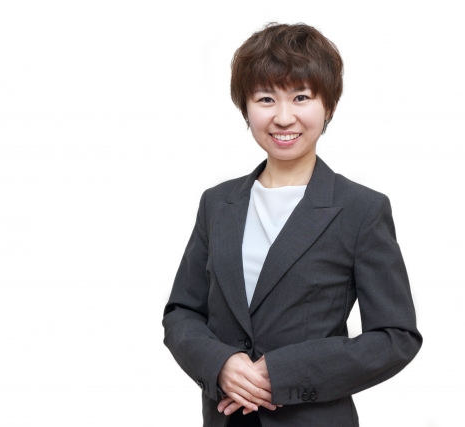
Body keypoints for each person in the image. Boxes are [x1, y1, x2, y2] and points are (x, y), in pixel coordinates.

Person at [162, 22, 422, 427]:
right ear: (246, 108)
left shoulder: (361, 209)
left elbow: (395, 337)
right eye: (266, 98)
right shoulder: (217, 203)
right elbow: (182, 312)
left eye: (301, 97)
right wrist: (220, 363)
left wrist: (284, 373)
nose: (283, 117)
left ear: (328, 106)